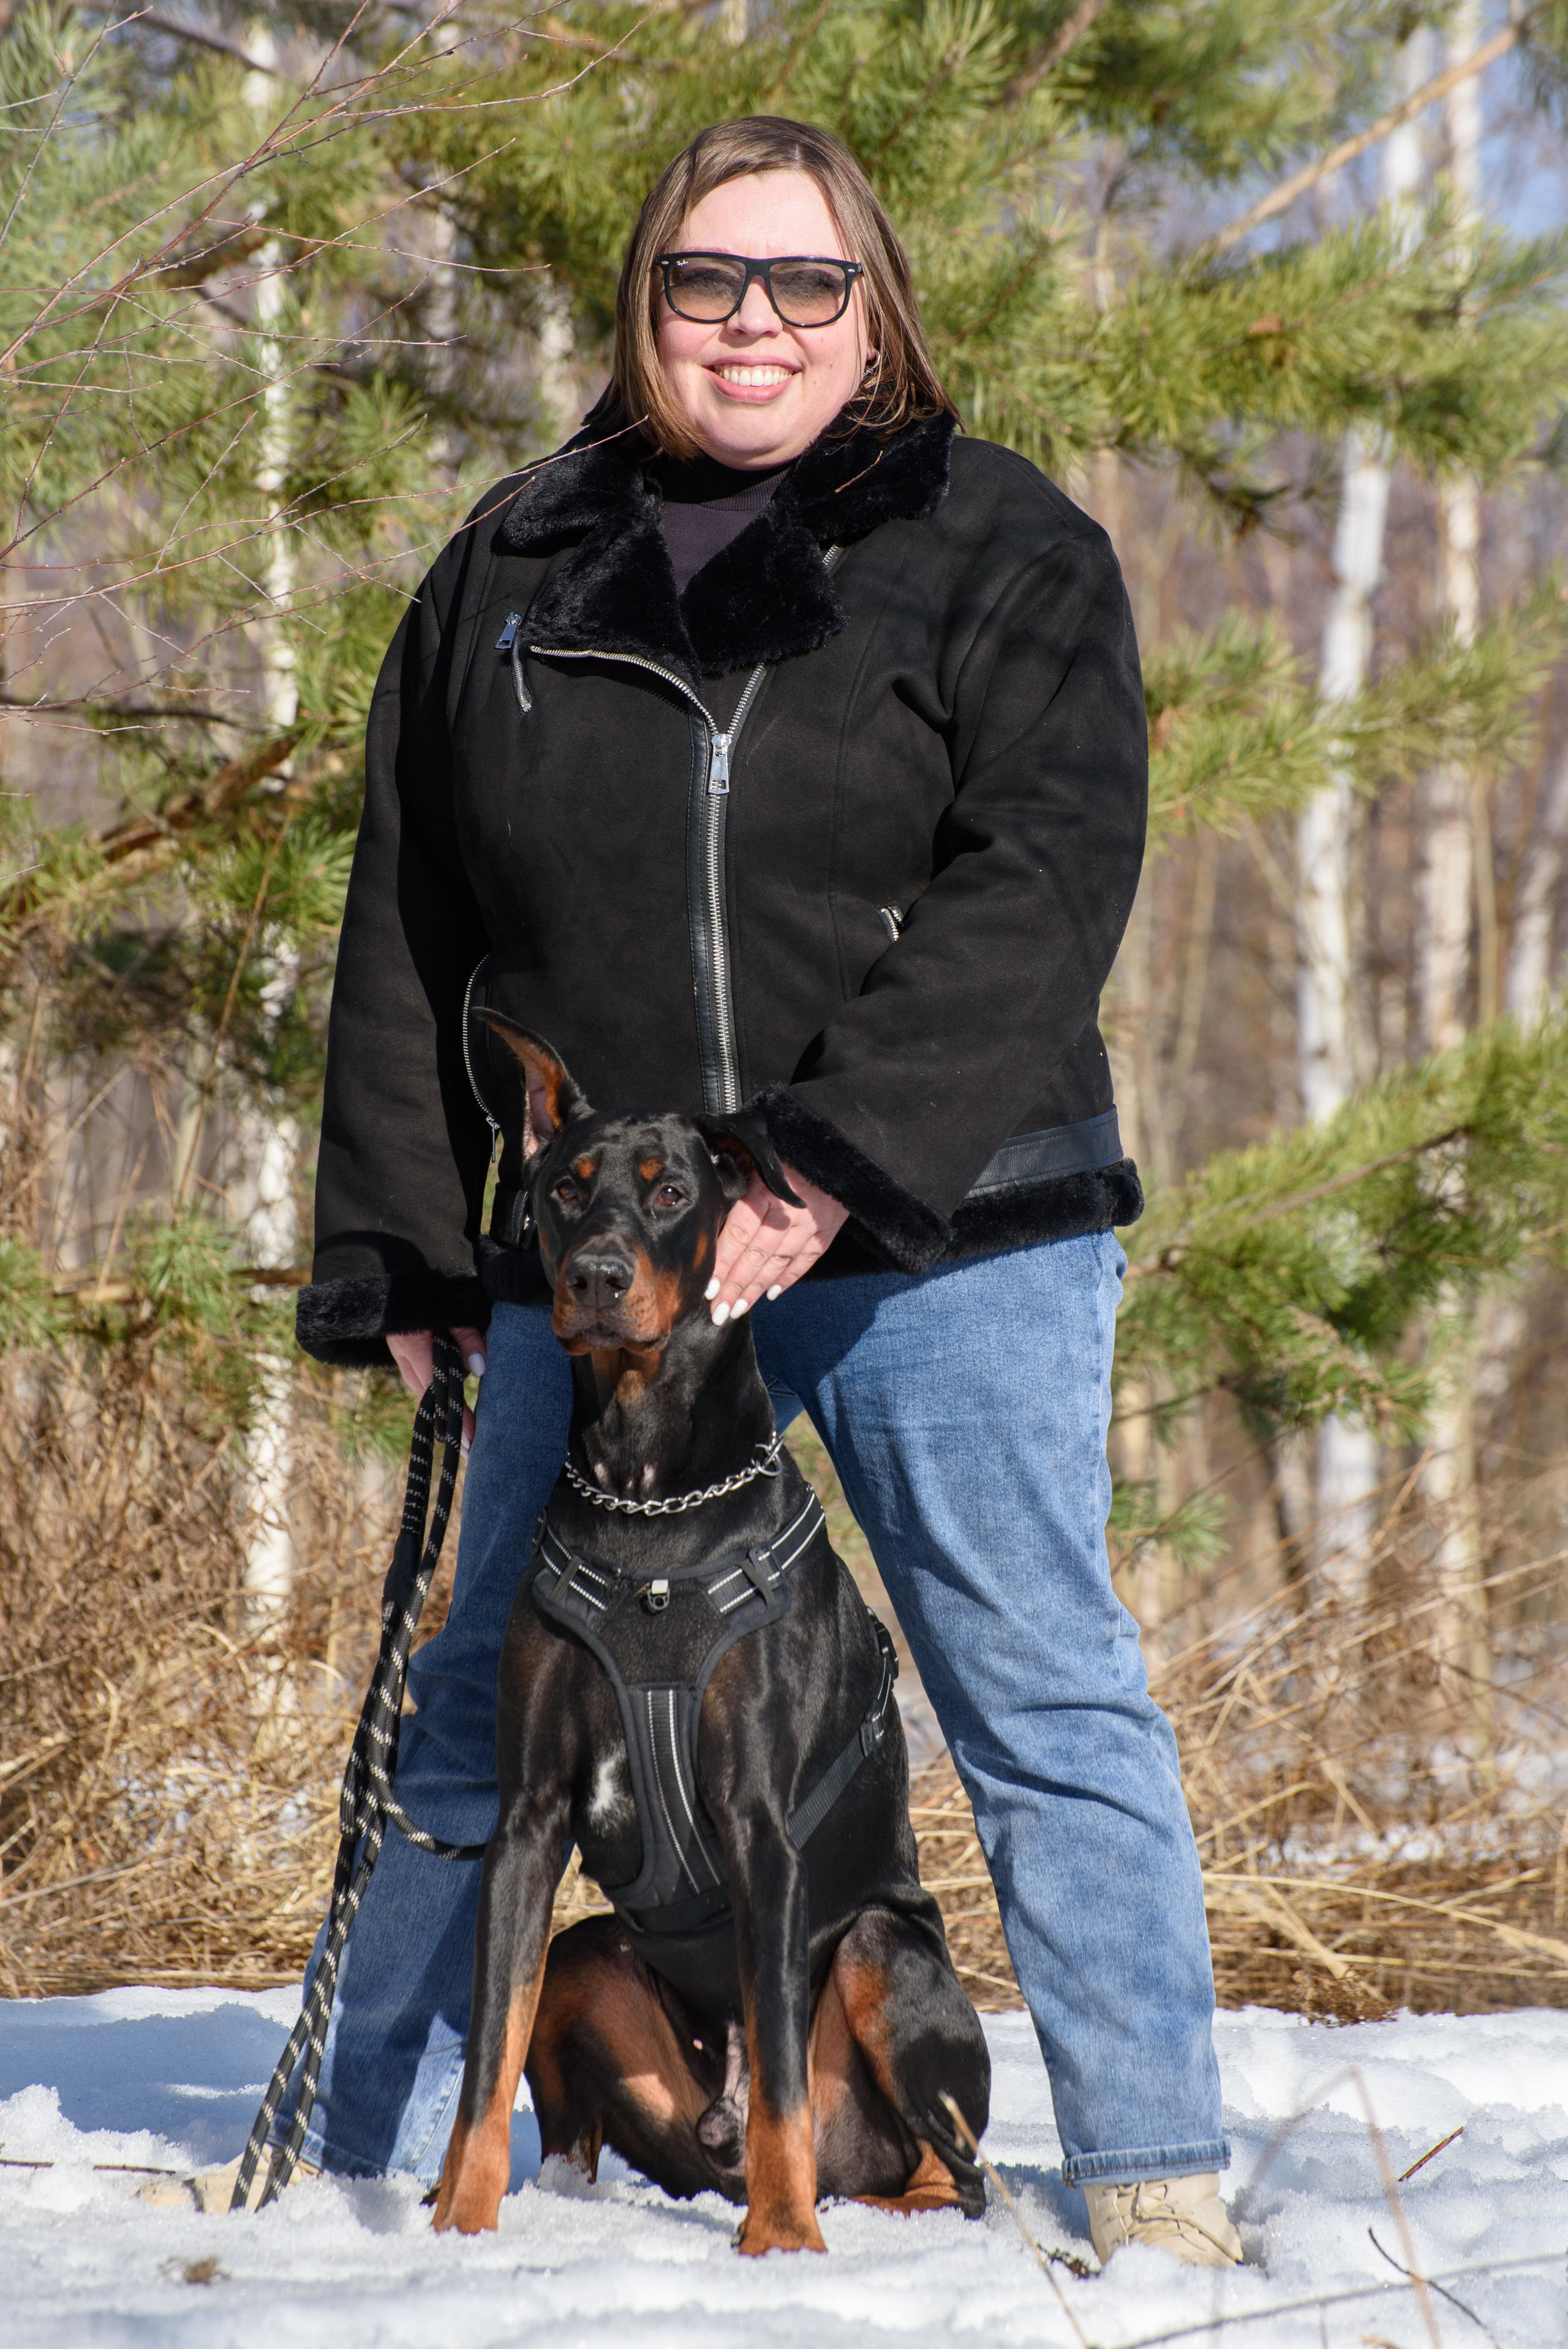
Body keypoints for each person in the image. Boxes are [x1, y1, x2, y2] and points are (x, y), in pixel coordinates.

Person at [287, 115, 1240, 2267]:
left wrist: (829, 1159)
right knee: (473, 1707)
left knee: (1036, 1676)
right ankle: (342, 2156)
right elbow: (417, 919)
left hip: (939, 1230)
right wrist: (413, 1245)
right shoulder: (513, 563)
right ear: (647, 302)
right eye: (709, 280)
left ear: (874, 301)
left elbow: (1048, 878)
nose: (754, 324)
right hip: (609, 1245)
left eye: (805, 282)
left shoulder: (1002, 546)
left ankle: (1163, 2181)